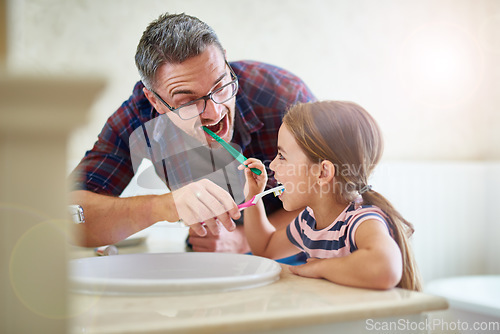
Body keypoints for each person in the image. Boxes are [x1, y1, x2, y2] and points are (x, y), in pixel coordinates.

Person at [69, 12, 316, 259]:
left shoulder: (283, 97)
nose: (216, 111)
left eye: (220, 86)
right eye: (189, 101)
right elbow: (68, 215)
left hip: (298, 253)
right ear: (155, 101)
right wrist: (164, 206)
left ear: (226, 63)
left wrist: (245, 240)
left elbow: (338, 198)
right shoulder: (138, 118)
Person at [240, 101, 422, 290]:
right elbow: (266, 247)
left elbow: (385, 268)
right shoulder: (308, 222)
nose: (272, 165)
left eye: (282, 156)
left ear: (323, 172)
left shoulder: (361, 220)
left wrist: (320, 267)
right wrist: (253, 194)